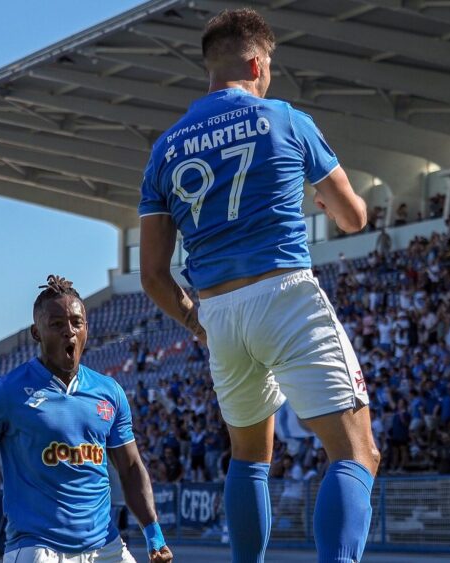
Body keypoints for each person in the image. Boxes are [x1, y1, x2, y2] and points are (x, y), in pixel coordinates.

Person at [136, 10, 377, 563]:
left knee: (248, 457)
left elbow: (153, 275)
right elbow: (354, 218)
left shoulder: (166, 149)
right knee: (355, 453)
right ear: (256, 63)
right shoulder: (285, 119)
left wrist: (196, 321)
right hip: (285, 294)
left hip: (219, 313)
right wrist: (327, 203)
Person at [0, 276, 172, 563]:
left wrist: (155, 535)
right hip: (38, 548)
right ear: (36, 332)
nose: (69, 332)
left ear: (87, 329)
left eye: (76, 323)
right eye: (56, 324)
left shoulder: (109, 392)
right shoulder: (7, 393)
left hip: (105, 546)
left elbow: (129, 467)